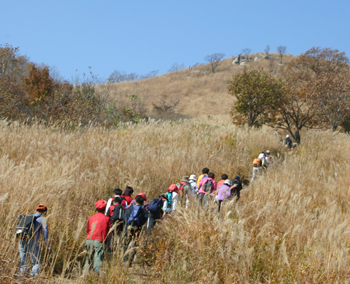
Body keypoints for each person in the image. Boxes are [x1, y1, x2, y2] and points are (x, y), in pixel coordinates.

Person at [18, 204, 49, 277]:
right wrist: (47, 245)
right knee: (37, 263)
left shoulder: (28, 217)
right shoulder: (43, 219)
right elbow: (45, 234)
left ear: (35, 210)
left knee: (23, 263)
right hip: (33, 241)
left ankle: (21, 279)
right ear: (45, 212)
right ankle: (30, 277)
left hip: (22, 240)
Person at [84, 200, 110, 273]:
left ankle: (85, 274)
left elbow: (88, 230)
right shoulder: (107, 218)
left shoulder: (91, 218)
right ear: (105, 209)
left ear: (96, 208)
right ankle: (97, 275)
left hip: (89, 239)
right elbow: (109, 231)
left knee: (88, 258)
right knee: (98, 258)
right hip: (99, 240)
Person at [123, 196, 149, 265]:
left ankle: (125, 260)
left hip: (128, 228)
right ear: (142, 203)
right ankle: (130, 261)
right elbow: (145, 219)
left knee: (126, 243)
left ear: (135, 201)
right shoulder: (142, 210)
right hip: (136, 229)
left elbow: (125, 216)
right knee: (134, 244)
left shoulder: (130, 208)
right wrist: (139, 225)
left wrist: (127, 225)